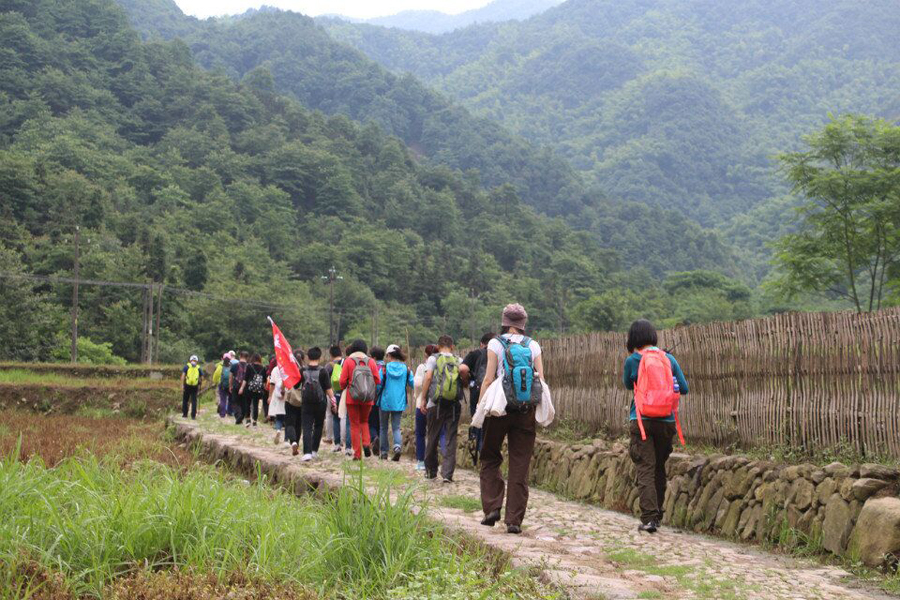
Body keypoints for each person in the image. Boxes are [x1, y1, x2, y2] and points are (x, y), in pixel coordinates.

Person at [479, 303, 543, 534]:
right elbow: (541, 381)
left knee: (489, 455)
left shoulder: (496, 343)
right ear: (523, 324)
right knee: (520, 463)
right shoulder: (533, 345)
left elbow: (488, 379)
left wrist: (480, 406)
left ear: (505, 322)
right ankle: (514, 520)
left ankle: (492, 508)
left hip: (499, 408)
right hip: (525, 410)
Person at [623, 319, 688, 534]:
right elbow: (684, 388)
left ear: (633, 339)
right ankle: (657, 516)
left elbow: (627, 384)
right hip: (667, 422)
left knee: (645, 468)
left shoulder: (632, 360)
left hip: (642, 420)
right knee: (659, 467)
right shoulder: (668, 358)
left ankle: (649, 518)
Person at [419, 335, 469, 483]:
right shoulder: (458, 360)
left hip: (435, 404)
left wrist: (423, 398)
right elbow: (464, 375)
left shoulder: (433, 359)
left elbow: (428, 378)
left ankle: (431, 472)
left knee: (432, 437)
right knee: (450, 438)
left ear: (438, 346)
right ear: (452, 346)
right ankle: (447, 474)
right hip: (453, 405)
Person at [339, 339, 381, 460]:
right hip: (367, 398)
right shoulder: (371, 362)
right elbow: (377, 380)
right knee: (364, 422)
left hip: (352, 398)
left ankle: (357, 454)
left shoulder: (348, 361)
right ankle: (366, 444)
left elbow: (342, 381)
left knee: (354, 425)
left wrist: (346, 386)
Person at [379, 344, 415, 461]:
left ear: (389, 355)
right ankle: (397, 448)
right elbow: (413, 383)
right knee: (396, 427)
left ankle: (384, 452)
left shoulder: (385, 368)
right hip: (399, 402)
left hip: (385, 401)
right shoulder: (406, 369)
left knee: (383, 427)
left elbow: (379, 384)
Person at [299, 347, 336, 461]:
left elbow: (296, 385)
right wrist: (333, 401)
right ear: (319, 358)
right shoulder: (323, 370)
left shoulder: (302, 370)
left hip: (306, 402)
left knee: (307, 426)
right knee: (318, 426)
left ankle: (307, 452)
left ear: (307, 357)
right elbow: (328, 388)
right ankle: (314, 450)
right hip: (321, 402)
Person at [463, 332, 494, 459]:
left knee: (479, 421)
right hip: (497, 393)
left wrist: (466, 382)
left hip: (478, 391)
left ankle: (480, 449)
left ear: (482, 344)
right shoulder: (500, 352)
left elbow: (463, 369)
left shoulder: (475, 354)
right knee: (492, 425)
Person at [413, 344, 437, 471]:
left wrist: (418, 396)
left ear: (425, 355)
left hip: (421, 404)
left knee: (420, 433)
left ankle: (421, 461)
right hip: (436, 404)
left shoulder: (422, 367)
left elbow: (417, 383)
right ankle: (436, 459)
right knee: (435, 433)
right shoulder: (440, 366)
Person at [325, 345, 351, 454]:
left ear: (331, 354)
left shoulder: (329, 365)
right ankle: (347, 445)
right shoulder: (347, 362)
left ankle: (336, 444)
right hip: (346, 392)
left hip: (334, 394)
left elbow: (325, 380)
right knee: (346, 418)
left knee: (335, 418)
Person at [283, 349, 306, 456]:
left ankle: (293, 442)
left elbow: (285, 382)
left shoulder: (290, 369)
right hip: (302, 399)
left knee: (290, 422)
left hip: (291, 399)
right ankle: (297, 442)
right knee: (299, 423)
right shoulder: (305, 370)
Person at [240, 353, 268, 427]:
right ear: (260, 359)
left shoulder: (249, 366)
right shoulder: (263, 368)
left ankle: (248, 419)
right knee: (255, 404)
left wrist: (242, 388)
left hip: (249, 388)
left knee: (247, 404)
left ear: (253, 359)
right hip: (258, 390)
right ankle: (255, 421)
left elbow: (245, 379)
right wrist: (264, 389)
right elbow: (265, 381)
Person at [369, 346, 385, 456]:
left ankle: (374, 438)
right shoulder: (387, 366)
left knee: (371, 422)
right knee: (381, 423)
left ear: (374, 357)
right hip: (385, 400)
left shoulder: (372, 366)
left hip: (373, 398)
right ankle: (380, 443)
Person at [268, 357, 287, 444]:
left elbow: (272, 384)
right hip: (287, 394)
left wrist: (270, 396)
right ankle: (286, 439)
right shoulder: (288, 369)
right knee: (288, 417)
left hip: (277, 394)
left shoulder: (275, 369)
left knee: (279, 416)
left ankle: (278, 430)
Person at [181, 355, 203, 419]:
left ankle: (185, 414)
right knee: (194, 400)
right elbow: (202, 377)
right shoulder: (198, 368)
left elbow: (183, 376)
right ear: (197, 361)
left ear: (190, 360)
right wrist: (199, 383)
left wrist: (182, 385)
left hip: (187, 385)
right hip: (195, 386)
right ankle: (193, 416)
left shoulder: (186, 367)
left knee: (185, 400)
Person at [230, 351, 248, 424]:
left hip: (236, 385)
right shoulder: (249, 366)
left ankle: (238, 416)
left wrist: (230, 385)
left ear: (240, 356)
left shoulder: (234, 365)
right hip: (245, 387)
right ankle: (241, 416)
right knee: (244, 402)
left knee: (235, 402)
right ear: (247, 357)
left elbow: (230, 377)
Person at [213, 354, 231, 418]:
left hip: (222, 385)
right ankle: (229, 412)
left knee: (223, 399)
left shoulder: (220, 366)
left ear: (222, 359)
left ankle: (222, 414)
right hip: (230, 385)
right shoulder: (231, 366)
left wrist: (215, 382)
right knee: (230, 399)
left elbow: (215, 375)